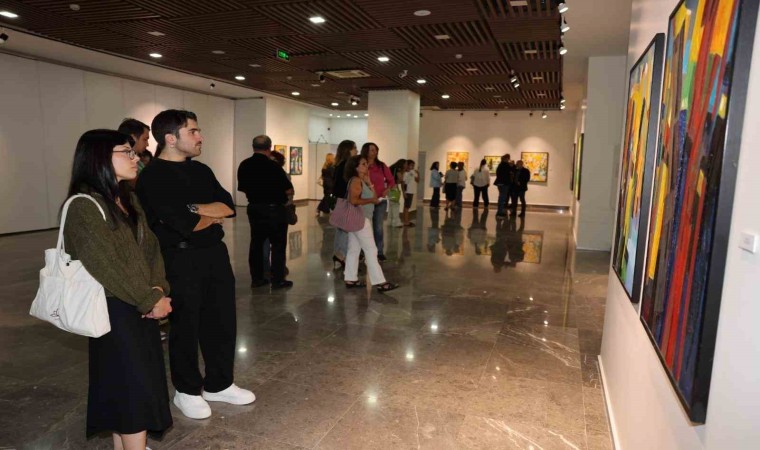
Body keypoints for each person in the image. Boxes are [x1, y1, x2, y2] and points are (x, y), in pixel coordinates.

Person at [137, 109, 254, 421]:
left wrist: (195, 210)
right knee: (185, 326)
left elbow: (228, 206)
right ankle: (187, 390)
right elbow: (183, 224)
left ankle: (220, 383)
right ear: (170, 138)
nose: (200, 137)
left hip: (215, 255)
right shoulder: (152, 176)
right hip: (179, 258)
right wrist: (204, 214)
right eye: (193, 131)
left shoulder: (201, 170)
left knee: (222, 321)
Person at [64, 129, 172, 449]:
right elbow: (106, 266)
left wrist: (158, 288)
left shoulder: (128, 199)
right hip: (114, 310)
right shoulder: (83, 206)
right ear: (100, 158)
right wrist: (150, 299)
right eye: (127, 152)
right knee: (131, 388)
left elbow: (151, 249)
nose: (135, 157)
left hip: (139, 303)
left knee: (129, 384)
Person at [237, 135, 294, 289]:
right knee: (278, 245)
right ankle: (278, 279)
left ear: (253, 147)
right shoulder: (273, 167)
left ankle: (257, 279)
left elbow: (243, 188)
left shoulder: (244, 165)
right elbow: (288, 189)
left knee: (256, 243)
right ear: (269, 148)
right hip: (275, 209)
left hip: (255, 208)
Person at [342, 155, 399, 293]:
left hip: (357, 219)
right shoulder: (356, 181)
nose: (366, 166)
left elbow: (374, 197)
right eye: (363, 164)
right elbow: (354, 201)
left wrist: (369, 183)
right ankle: (380, 282)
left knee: (354, 249)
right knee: (371, 250)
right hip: (360, 218)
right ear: (355, 167)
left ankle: (350, 278)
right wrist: (370, 201)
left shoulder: (362, 180)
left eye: (366, 163)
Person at [260, 150, 294, 281]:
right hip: (266, 211)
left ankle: (277, 269)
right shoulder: (264, 175)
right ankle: (267, 269)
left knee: (277, 244)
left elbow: (289, 194)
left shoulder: (283, 175)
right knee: (266, 243)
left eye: (273, 160)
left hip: (279, 212)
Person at [361, 142, 395, 261]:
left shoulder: (381, 166)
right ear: (366, 151)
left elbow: (391, 181)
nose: (374, 152)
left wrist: (387, 189)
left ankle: (379, 251)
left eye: (376, 150)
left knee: (378, 227)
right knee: (363, 227)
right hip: (365, 200)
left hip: (380, 200)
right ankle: (362, 251)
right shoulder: (362, 165)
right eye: (372, 150)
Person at [331, 140, 357, 270]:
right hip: (345, 201)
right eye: (354, 148)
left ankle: (338, 255)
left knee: (341, 230)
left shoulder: (340, 164)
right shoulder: (346, 166)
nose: (356, 150)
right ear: (348, 150)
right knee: (345, 230)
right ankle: (342, 256)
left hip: (340, 200)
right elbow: (343, 186)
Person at [388, 159, 406, 228]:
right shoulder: (398, 169)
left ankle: (390, 221)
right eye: (405, 164)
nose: (406, 165)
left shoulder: (392, 168)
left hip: (389, 187)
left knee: (391, 205)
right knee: (395, 205)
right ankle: (396, 222)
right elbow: (400, 179)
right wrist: (403, 172)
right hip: (394, 187)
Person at [403, 159, 419, 227]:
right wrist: (404, 192)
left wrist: (418, 173)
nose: (412, 166)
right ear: (408, 165)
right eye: (411, 165)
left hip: (412, 191)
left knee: (407, 206)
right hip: (408, 191)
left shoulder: (413, 172)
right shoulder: (405, 173)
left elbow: (417, 180)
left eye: (413, 165)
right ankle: (406, 221)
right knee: (407, 207)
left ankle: (406, 220)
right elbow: (404, 183)